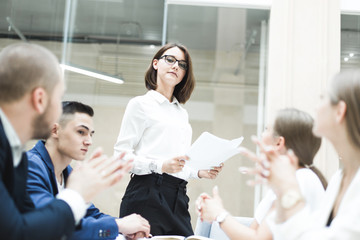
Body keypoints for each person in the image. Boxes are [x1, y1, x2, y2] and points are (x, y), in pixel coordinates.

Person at [0, 42, 131, 240]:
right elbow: (19, 233)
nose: (88, 141)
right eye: (58, 98)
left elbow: (32, 224)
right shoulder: (26, 162)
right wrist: (76, 195)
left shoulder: (15, 154)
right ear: (40, 99)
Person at [114, 43, 223, 236]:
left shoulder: (181, 113)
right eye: (170, 60)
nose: (175, 66)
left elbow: (177, 165)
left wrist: (200, 172)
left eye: (182, 64)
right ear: (155, 63)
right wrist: (160, 165)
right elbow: (121, 158)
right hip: (146, 194)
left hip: (178, 196)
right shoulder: (140, 105)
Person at [240, 70, 360, 239]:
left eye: (322, 98)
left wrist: (288, 188)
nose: (316, 107)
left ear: (340, 111)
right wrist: (281, 188)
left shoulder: (306, 178)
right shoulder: (339, 179)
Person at [196, 108, 327, 240]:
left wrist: (219, 214)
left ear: (279, 142)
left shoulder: (298, 180)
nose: (261, 135)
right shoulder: (300, 178)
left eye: (266, 129)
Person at [26, 101, 150, 240]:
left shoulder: (67, 172)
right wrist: (118, 225)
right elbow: (52, 224)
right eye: (81, 132)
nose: (89, 141)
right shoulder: (29, 166)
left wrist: (127, 229)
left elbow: (90, 214)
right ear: (55, 130)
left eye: (91, 134)